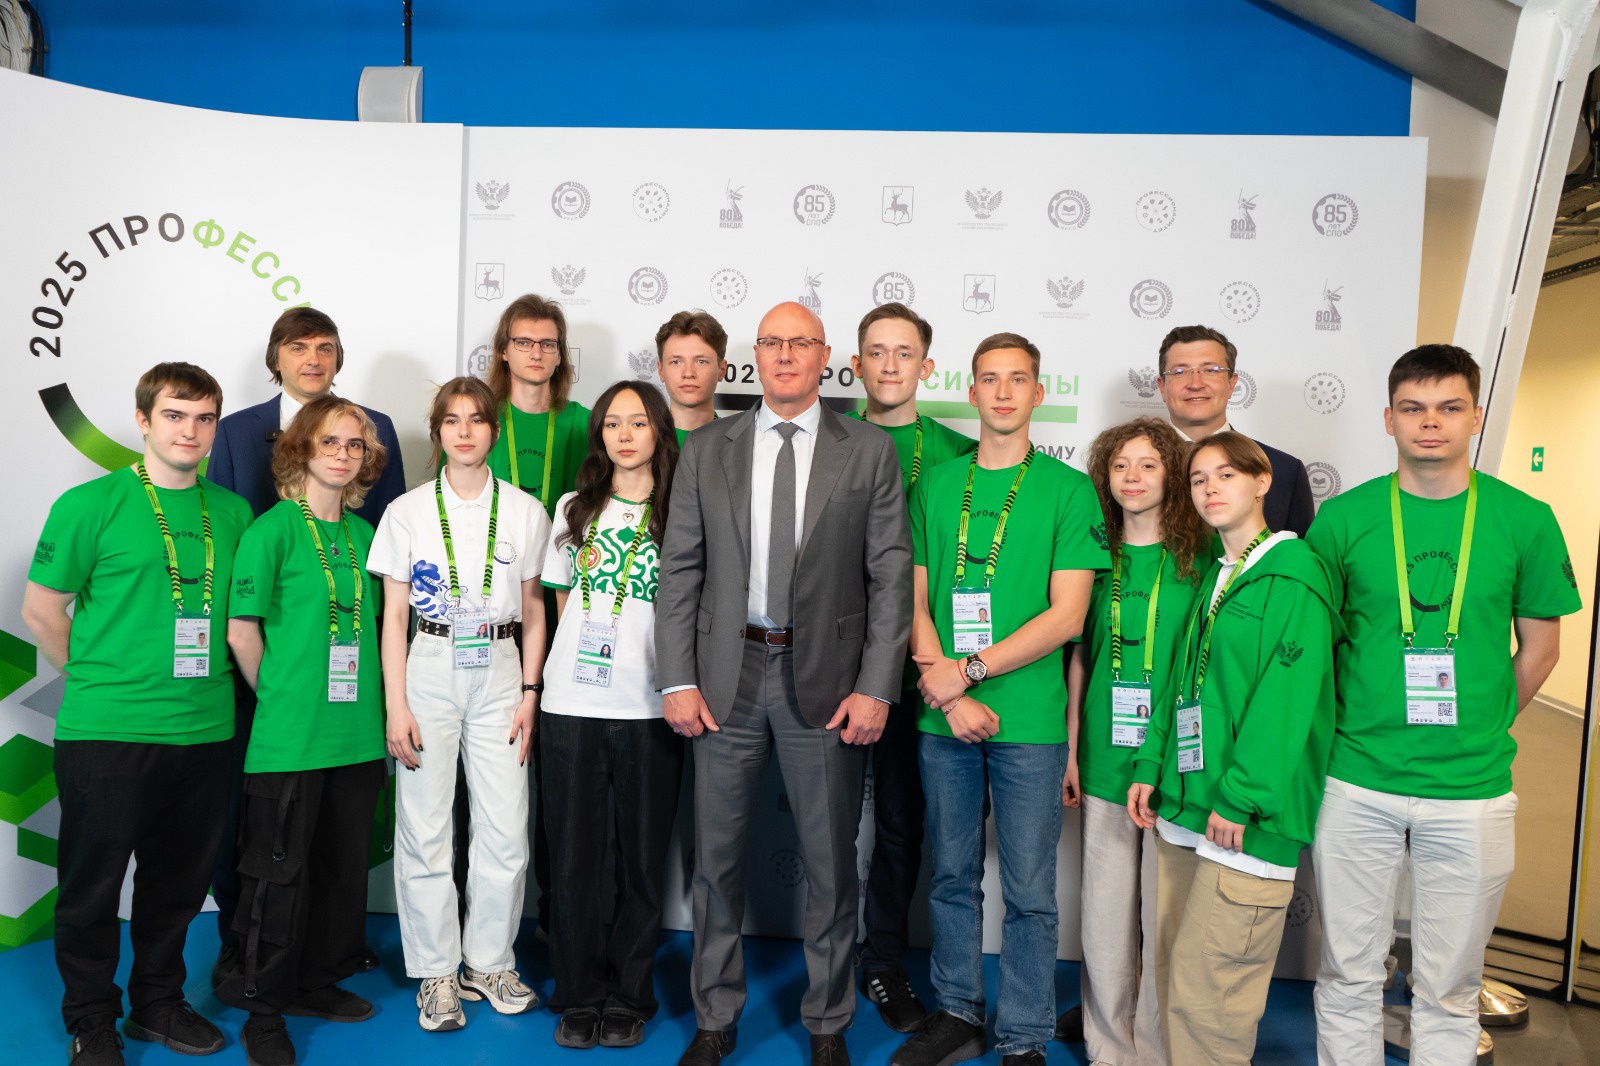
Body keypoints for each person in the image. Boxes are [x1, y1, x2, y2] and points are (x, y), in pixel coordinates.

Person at [1306, 345, 1579, 1065]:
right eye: (1414, 408)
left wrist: (1482, 723)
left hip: (1471, 789)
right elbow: (1319, 648)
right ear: (1389, 419)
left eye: (1449, 407)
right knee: (1348, 974)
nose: (1431, 423)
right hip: (1357, 779)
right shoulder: (1343, 519)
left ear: (1476, 417)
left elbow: (1541, 649)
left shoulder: (1525, 519)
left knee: (1450, 986)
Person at [656, 301, 911, 1066]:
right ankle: (715, 1017)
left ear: (825, 357)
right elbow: (681, 570)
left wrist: (877, 687)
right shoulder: (709, 447)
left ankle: (828, 1023)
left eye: (802, 343)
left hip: (829, 682)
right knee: (715, 862)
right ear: (755, 356)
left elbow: (891, 576)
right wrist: (676, 678)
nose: (786, 355)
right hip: (724, 676)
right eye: (772, 342)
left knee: (830, 866)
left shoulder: (868, 451)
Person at [23, 363, 254, 1066]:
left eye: (205, 418)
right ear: (144, 419)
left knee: (176, 885)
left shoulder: (232, 513)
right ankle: (92, 1019)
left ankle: (158, 1003)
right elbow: (42, 609)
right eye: (176, 415)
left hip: (205, 730)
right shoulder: (89, 504)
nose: (191, 431)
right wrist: (100, 679)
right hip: (108, 732)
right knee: (92, 887)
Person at [893, 332, 1105, 1066]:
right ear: (972, 391)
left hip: (1032, 724)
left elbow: (1068, 616)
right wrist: (949, 695)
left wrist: (971, 670)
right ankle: (958, 1011)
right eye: (990, 379)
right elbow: (913, 601)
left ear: (1039, 393)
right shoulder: (936, 485)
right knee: (951, 876)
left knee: (1030, 892)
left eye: (1019, 380)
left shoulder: (1069, 490)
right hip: (943, 717)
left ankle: (1023, 1035)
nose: (1004, 392)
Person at [1128, 431, 1339, 1065]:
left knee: (1212, 1001)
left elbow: (1285, 701)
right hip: (1186, 807)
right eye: (1198, 479)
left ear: (1262, 482)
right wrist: (1150, 765)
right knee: (1172, 980)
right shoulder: (1220, 575)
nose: (1210, 489)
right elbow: (1182, 683)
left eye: (1226, 475)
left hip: (1242, 820)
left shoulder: (1294, 574)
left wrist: (1242, 796)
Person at [207, 307, 405, 978]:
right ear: (277, 358)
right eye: (298, 347)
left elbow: (389, 556)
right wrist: (276, 687)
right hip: (278, 684)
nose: (313, 358)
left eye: (325, 347)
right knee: (264, 839)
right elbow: (236, 581)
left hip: (348, 705)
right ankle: (253, 967)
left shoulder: (362, 525)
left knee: (337, 849)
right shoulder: (240, 441)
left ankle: (322, 964)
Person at [367, 376, 552, 1032]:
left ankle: (489, 961)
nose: (465, 431)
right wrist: (396, 704)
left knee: (505, 825)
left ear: (494, 432)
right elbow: (393, 617)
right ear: (438, 432)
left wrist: (530, 691)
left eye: (477, 419)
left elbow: (534, 609)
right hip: (431, 662)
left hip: (501, 666)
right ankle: (437, 972)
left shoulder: (526, 511)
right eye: (452, 420)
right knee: (425, 826)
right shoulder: (408, 512)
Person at [215, 397, 390, 1066]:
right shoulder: (273, 531)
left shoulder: (366, 537)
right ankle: (263, 1007)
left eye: (354, 444)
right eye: (330, 442)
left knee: (340, 874)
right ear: (301, 450)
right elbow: (240, 631)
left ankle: (316, 982)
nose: (343, 454)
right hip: (290, 739)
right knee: (275, 878)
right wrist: (282, 697)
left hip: (358, 737)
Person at [846, 301, 976, 1032]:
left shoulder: (962, 453)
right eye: (876, 351)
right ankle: (825, 964)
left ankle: (883, 963)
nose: (889, 365)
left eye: (904, 353)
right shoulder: (826, 436)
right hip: (833, 668)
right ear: (856, 364)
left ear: (926, 366)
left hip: (920, 673)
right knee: (828, 830)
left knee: (901, 827)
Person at [541, 381, 682, 1050]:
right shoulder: (574, 508)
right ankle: (578, 994)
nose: (625, 435)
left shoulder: (683, 509)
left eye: (638, 422)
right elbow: (560, 605)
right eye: (612, 423)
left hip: (651, 705)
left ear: (659, 431)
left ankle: (629, 994)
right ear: (598, 434)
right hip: (572, 704)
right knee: (573, 859)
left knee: (641, 861)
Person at [1063, 417, 1206, 1066]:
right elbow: (1080, 659)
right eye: (1120, 465)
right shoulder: (1093, 557)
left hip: (1176, 766)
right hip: (1103, 760)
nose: (1133, 477)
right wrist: (1071, 750)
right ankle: (1109, 1047)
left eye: (1149, 465)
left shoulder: (1201, 560)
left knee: (1166, 919)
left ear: (1172, 476)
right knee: (1105, 917)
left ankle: (1156, 1048)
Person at [484, 292, 589, 936]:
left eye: (547, 343)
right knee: (486, 768)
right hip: (491, 614)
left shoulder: (584, 422)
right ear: (504, 351)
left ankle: (556, 918)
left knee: (559, 776)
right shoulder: (478, 417)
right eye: (524, 341)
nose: (536, 352)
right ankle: (475, 918)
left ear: (560, 354)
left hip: (567, 612)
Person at [1156, 324, 1314, 537]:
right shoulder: (1126, 472)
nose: (1195, 384)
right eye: (1180, 372)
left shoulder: (1283, 470)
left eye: (1210, 370)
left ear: (1231, 384)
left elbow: (1298, 555)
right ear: (1162, 387)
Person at [657, 309, 728, 445]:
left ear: (722, 370)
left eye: (701, 361)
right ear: (661, 370)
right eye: (676, 362)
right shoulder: (641, 444)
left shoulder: (740, 445)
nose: (688, 373)